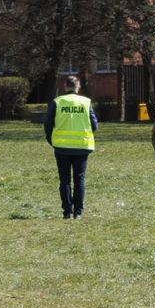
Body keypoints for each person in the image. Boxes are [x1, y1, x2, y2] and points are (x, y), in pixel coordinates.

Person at [43, 75, 99, 219]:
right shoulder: (86, 102)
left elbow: (47, 124)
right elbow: (94, 125)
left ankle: (67, 212)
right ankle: (78, 212)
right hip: (82, 146)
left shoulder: (57, 102)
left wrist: (52, 140)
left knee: (64, 179)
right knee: (79, 179)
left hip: (61, 147)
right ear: (78, 87)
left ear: (65, 87)